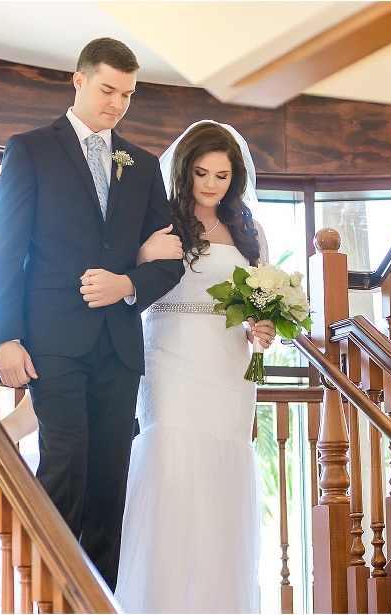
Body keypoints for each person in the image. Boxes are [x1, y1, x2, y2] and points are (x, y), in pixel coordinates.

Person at [0, 37, 185, 590]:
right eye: (107, 90)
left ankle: (97, 600)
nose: (117, 103)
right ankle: (45, 594)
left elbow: (169, 259)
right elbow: (5, 251)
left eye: (127, 94)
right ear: (78, 81)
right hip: (52, 342)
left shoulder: (144, 166)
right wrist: (6, 337)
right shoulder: (29, 150)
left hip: (119, 348)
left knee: (108, 482)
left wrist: (126, 283)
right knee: (64, 466)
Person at [114, 119, 273, 613]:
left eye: (222, 176)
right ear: (185, 171)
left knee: (219, 487)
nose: (210, 184)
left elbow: (254, 307)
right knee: (173, 470)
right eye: (202, 172)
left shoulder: (249, 231)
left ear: (235, 179)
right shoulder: (161, 221)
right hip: (169, 356)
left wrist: (260, 329)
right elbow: (133, 284)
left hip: (228, 366)